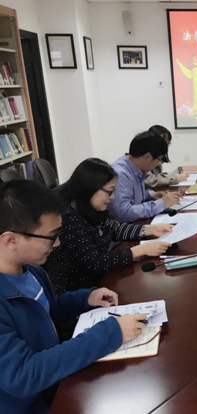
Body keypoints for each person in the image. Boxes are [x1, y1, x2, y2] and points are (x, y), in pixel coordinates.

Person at [0, 180, 147, 413]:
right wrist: (110, 333)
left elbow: (43, 312)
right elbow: (22, 375)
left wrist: (84, 299)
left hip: (56, 379)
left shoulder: (31, 271)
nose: (58, 243)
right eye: (51, 236)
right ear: (11, 240)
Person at [44, 158, 173, 296]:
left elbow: (114, 229)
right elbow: (95, 261)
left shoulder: (91, 208)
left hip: (98, 285)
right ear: (90, 188)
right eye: (109, 192)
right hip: (75, 294)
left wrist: (148, 229)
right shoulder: (68, 218)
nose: (112, 197)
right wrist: (140, 250)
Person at [109, 131, 180, 222]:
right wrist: (162, 204)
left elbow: (133, 194)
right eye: (159, 159)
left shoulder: (136, 167)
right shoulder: (120, 174)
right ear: (147, 157)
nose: (158, 163)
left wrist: (152, 194)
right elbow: (124, 213)